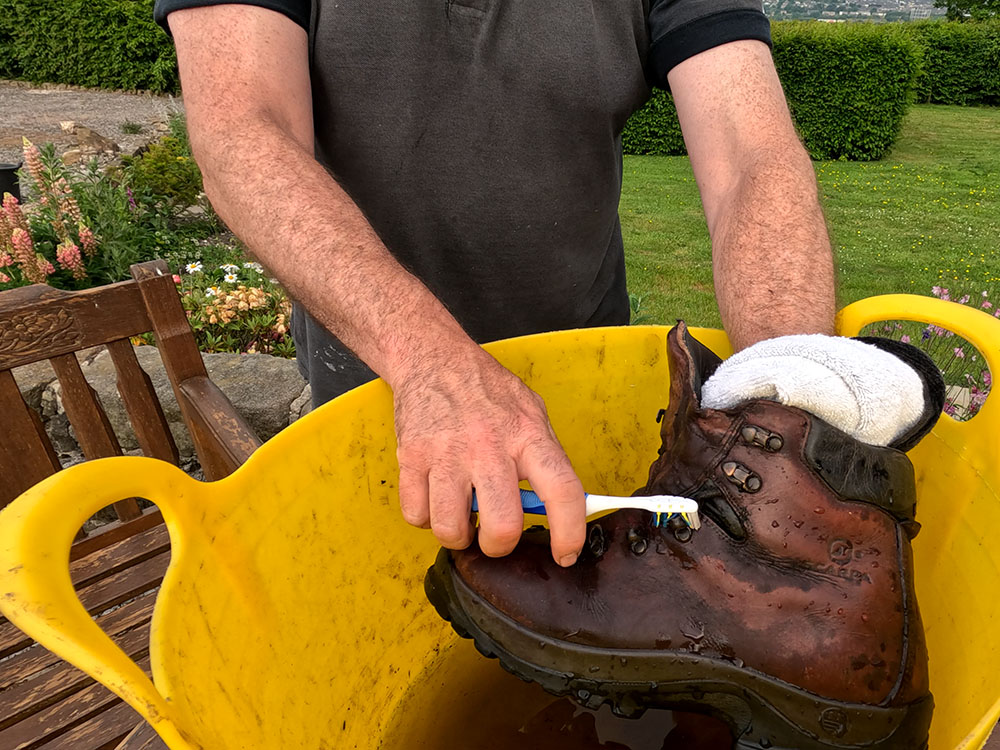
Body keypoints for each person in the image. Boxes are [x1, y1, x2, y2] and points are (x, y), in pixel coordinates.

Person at [154, 0, 836, 570]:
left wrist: (790, 395)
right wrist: (430, 362)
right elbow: (243, 133)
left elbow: (752, 155)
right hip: (379, 383)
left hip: (581, 372)